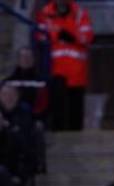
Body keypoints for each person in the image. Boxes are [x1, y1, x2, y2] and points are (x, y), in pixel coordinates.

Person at [36, 0, 93, 130]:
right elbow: (40, 36)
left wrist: (71, 36)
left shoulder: (80, 13)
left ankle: (77, 141)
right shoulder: (45, 13)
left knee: (76, 111)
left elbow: (87, 37)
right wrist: (58, 34)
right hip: (56, 70)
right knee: (57, 111)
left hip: (76, 71)